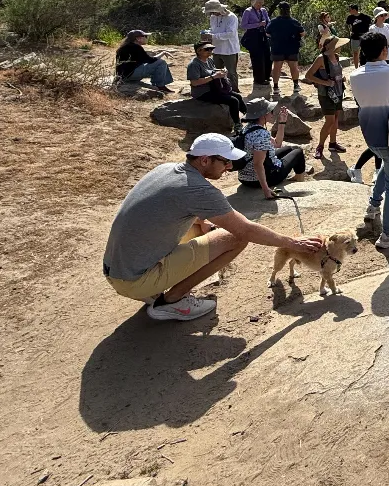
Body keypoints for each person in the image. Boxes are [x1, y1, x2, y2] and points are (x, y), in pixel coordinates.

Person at [103, 133, 322, 321]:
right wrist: (293, 243)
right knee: (235, 239)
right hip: (134, 280)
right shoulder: (199, 190)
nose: (229, 168)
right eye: (225, 162)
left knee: (201, 228)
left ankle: (156, 288)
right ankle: (170, 301)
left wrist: (203, 224)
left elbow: (178, 208)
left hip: (116, 269)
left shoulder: (167, 169)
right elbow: (244, 229)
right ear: (205, 160)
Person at [347, 30, 389, 249]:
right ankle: (388, 233)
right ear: (385, 50)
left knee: (387, 163)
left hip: (370, 132)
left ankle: (373, 205)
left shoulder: (355, 75)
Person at [238, 98, 309, 196]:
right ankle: (299, 179)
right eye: (270, 111)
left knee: (289, 149)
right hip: (264, 178)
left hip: (244, 177)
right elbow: (257, 164)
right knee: (298, 152)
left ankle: (297, 176)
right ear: (263, 115)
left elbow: (277, 144)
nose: (272, 113)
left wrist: (282, 122)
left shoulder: (247, 128)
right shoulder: (261, 134)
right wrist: (266, 190)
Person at [305, 34, 349, 159]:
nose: (340, 47)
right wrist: (325, 83)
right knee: (329, 121)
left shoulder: (336, 57)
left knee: (335, 119)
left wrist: (342, 79)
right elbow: (308, 75)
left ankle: (333, 143)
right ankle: (320, 146)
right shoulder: (321, 59)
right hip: (326, 94)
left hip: (338, 92)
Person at [187, 41, 246, 131]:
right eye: (207, 49)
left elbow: (213, 70)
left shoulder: (209, 60)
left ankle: (246, 116)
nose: (210, 51)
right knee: (233, 101)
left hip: (214, 88)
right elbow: (194, 82)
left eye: (211, 49)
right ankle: (237, 124)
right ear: (198, 51)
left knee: (238, 96)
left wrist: (222, 71)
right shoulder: (194, 65)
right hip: (202, 92)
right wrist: (213, 77)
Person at [267, 1, 306, 96]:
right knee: (293, 67)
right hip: (292, 47)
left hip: (277, 47)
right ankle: (296, 85)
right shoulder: (294, 22)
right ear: (289, 10)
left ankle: (276, 87)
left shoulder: (274, 22)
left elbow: (267, 33)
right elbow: (302, 33)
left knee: (277, 67)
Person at [204, 0, 242, 93]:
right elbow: (214, 29)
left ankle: (234, 91)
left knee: (231, 72)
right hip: (216, 48)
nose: (212, 14)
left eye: (213, 11)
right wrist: (207, 33)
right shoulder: (213, 17)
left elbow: (230, 33)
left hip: (229, 49)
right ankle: (220, 90)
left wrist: (213, 36)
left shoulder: (231, 17)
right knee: (217, 71)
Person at [240, 0, 272, 88]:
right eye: (258, 3)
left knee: (267, 55)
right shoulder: (248, 11)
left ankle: (266, 75)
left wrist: (268, 27)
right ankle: (259, 79)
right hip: (253, 36)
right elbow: (244, 25)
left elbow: (268, 21)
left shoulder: (263, 10)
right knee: (257, 58)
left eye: (261, 3)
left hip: (263, 35)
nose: (260, 5)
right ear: (253, 2)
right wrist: (257, 24)